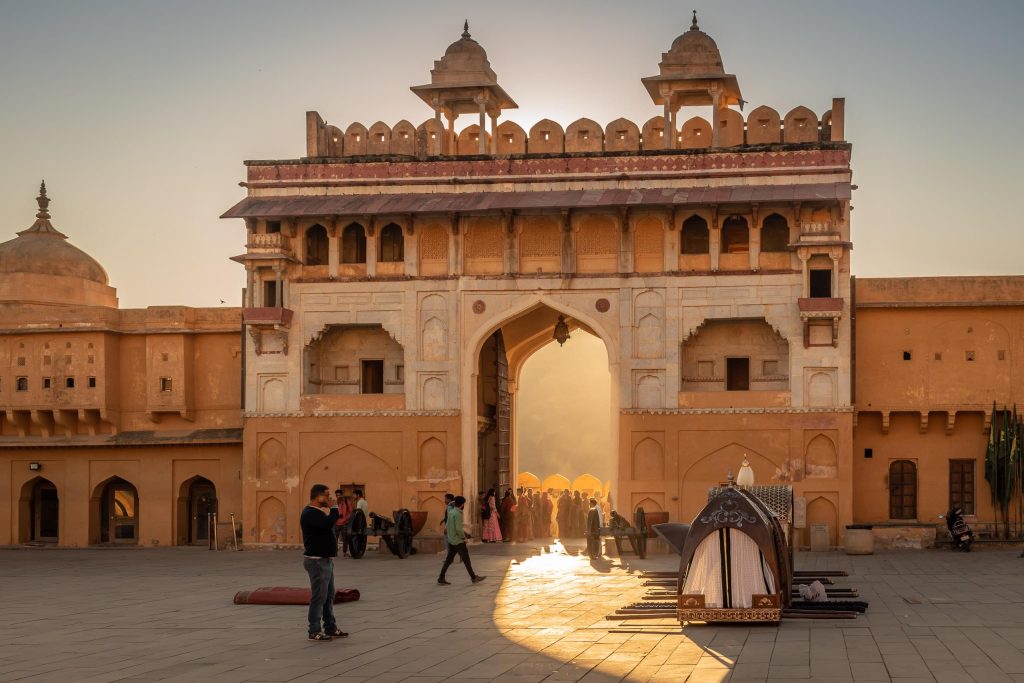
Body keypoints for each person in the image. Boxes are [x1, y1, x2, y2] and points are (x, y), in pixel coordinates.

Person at [300, 484, 349, 642]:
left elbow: (328, 523)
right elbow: (328, 523)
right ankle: (314, 630)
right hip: (317, 561)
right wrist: (334, 507)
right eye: (326, 496)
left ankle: (330, 627)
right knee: (319, 596)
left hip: (325, 560)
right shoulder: (310, 513)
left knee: (328, 596)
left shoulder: (318, 513)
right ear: (318, 496)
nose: (329, 498)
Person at [437, 496, 485, 586]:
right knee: (466, 559)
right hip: (458, 541)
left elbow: (448, 526)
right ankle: (473, 577)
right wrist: (464, 538)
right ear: (462, 504)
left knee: (449, 560)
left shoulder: (451, 512)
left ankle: (441, 577)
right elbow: (458, 529)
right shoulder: (457, 514)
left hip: (452, 540)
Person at [334, 490, 353, 557]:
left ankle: (344, 552)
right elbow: (332, 512)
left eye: (339, 495)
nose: (338, 496)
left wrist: (347, 518)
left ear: (342, 495)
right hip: (336, 523)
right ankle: (335, 552)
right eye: (337, 495)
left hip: (344, 523)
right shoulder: (335, 503)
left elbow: (351, 512)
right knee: (334, 539)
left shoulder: (347, 502)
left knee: (345, 539)